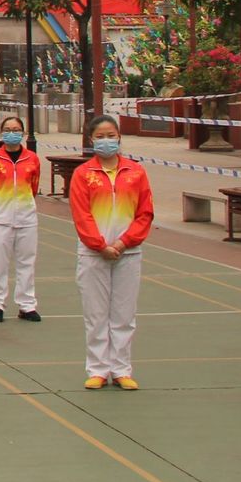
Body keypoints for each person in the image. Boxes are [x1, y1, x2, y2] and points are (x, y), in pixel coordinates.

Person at [70, 115, 155, 390]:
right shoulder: (83, 174)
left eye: (111, 136)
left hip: (127, 253)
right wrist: (100, 245)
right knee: (96, 314)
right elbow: (82, 215)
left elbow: (145, 213)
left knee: (124, 314)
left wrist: (122, 243)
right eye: (100, 136)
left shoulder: (136, 172)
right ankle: (98, 369)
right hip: (93, 254)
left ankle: (121, 369)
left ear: (119, 138)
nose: (106, 141)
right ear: (91, 139)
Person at [0, 115, 41, 324]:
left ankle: (27, 305)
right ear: (1, 132)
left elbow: (34, 187)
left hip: (27, 219)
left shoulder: (32, 159)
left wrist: (24, 206)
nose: (11, 133)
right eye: (7, 129)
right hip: (0, 219)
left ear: (23, 133)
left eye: (16, 130)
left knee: (27, 263)